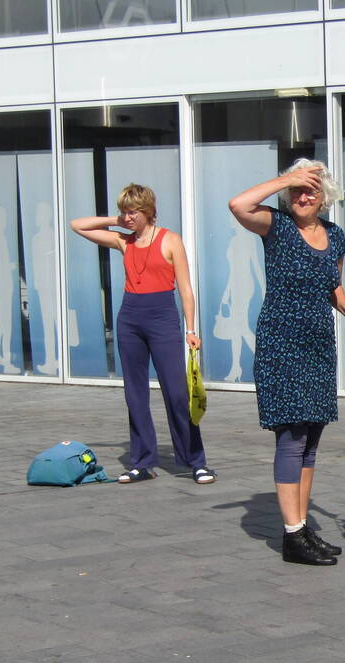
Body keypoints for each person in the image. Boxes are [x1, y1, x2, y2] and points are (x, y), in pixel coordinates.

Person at [228, 159, 345, 567]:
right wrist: (285, 179)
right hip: (281, 343)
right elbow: (238, 204)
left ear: (325, 198)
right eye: (296, 191)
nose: (302, 197)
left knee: (310, 441)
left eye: (310, 191)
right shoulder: (276, 226)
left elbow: (333, 287)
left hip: (319, 346)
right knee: (291, 437)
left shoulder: (336, 236)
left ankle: (302, 527)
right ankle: (291, 535)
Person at [70, 184, 216, 485]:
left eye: (132, 211)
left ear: (148, 211)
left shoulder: (170, 239)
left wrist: (191, 329)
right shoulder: (124, 242)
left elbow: (186, 289)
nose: (128, 217)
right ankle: (142, 462)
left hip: (162, 316)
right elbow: (77, 226)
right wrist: (115, 220)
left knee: (176, 393)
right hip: (130, 318)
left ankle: (195, 461)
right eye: (124, 211)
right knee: (134, 394)